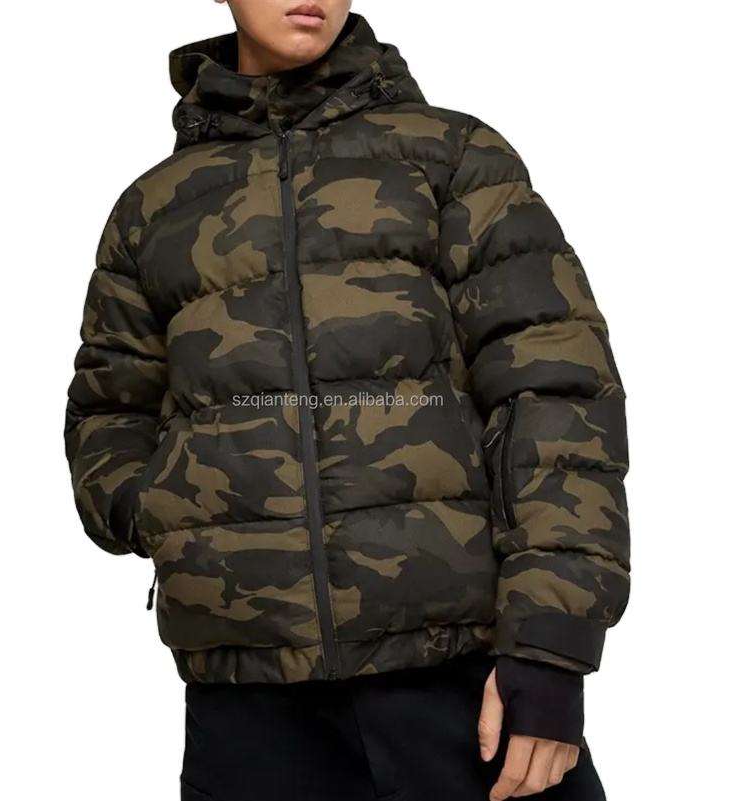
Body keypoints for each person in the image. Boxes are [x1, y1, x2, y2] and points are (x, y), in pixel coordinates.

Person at [64, 2, 630, 799]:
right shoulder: (154, 211)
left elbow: (557, 391)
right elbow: (107, 415)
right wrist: (164, 512)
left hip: (461, 689)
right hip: (249, 712)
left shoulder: (451, 159)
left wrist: (551, 645)